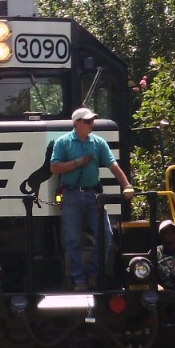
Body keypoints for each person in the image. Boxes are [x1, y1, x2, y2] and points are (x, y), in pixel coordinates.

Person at [50, 106, 133, 291]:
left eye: (92, 120)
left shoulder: (98, 143)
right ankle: (79, 280)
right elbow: (54, 168)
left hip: (93, 195)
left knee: (106, 234)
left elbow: (113, 166)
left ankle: (94, 274)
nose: (91, 124)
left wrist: (127, 185)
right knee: (73, 239)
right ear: (77, 123)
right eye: (88, 121)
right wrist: (77, 163)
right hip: (70, 195)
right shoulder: (63, 142)